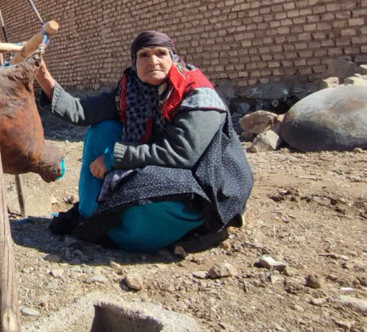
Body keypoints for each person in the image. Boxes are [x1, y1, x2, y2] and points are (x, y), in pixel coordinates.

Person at [37, 31, 253, 252]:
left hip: (205, 179)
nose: (153, 61)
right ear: (134, 61)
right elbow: (80, 111)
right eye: (144, 55)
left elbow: (183, 153)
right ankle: (90, 213)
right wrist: (42, 74)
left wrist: (114, 157)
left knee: (141, 203)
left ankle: (197, 228)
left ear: (173, 58)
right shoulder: (130, 89)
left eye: (161, 53)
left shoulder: (196, 92)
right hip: (158, 166)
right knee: (103, 130)